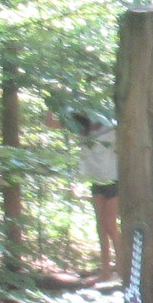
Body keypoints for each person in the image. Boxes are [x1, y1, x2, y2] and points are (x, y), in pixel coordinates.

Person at [65, 109, 123, 280]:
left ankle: (122, 270)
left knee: (110, 225)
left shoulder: (111, 128)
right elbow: (50, 123)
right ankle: (106, 272)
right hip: (96, 182)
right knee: (101, 227)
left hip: (114, 180)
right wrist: (54, 99)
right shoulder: (82, 130)